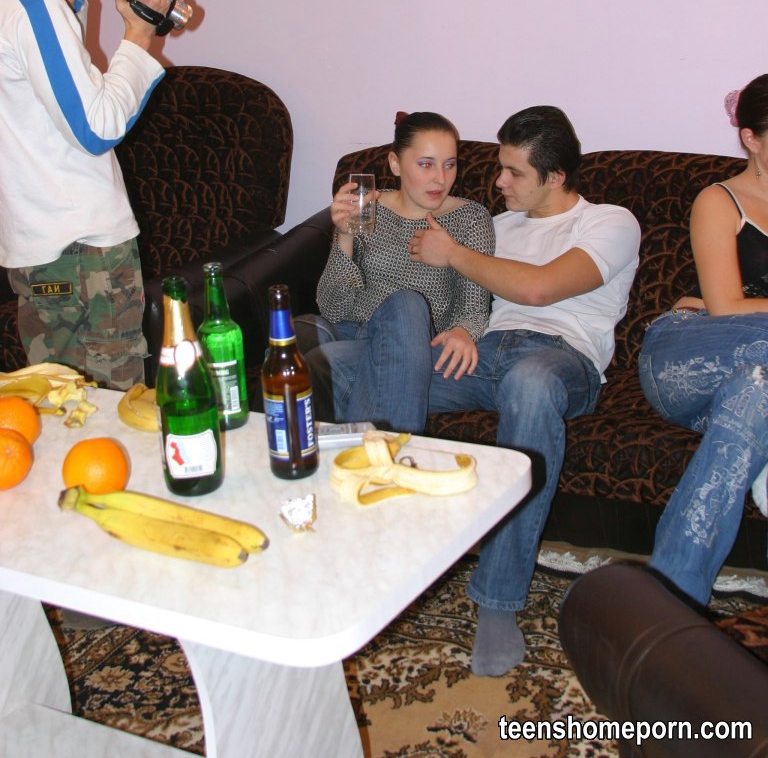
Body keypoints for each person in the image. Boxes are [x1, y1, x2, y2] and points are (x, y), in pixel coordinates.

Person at [408, 106, 641, 675]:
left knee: (529, 383)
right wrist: (352, 236)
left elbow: (537, 290)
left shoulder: (610, 223)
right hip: (484, 352)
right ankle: (374, 550)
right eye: (499, 167)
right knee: (355, 366)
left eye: (514, 172)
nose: (498, 182)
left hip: (561, 360)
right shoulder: (496, 225)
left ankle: (497, 600)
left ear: (556, 176)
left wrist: (454, 253)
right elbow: (454, 296)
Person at [0, 0, 176, 389]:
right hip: (83, 246)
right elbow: (96, 127)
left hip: (33, 246)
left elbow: (30, 104)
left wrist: (68, 9)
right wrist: (141, 35)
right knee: (112, 407)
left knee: (58, 399)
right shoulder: (30, 5)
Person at [638, 75, 768, 608]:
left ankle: (670, 603)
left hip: (749, 374)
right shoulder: (720, 199)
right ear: (750, 139)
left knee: (756, 392)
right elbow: (725, 306)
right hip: (684, 355)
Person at [300, 111, 495, 431]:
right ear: (395, 164)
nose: (441, 178)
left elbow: (474, 309)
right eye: (426, 164)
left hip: (414, 345)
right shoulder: (367, 209)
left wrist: (463, 331)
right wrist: (344, 236)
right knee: (301, 336)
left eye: (450, 164)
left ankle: (369, 452)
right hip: (355, 331)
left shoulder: (471, 218)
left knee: (403, 305)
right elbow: (335, 308)